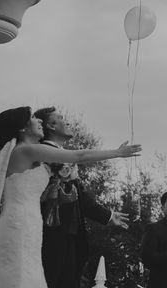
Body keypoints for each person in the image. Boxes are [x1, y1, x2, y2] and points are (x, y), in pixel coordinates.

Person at [0, 106, 141, 288]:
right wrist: (117, 153)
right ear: (22, 128)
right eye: (32, 118)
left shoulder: (31, 155)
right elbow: (81, 155)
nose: (38, 121)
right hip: (20, 222)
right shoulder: (27, 151)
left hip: (31, 223)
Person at [35, 106, 131, 288]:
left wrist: (108, 216)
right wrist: (117, 153)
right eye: (61, 118)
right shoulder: (42, 152)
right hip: (48, 233)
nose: (67, 121)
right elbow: (83, 155)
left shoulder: (62, 154)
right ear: (51, 126)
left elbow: (79, 196)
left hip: (69, 235)